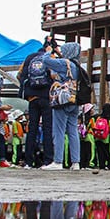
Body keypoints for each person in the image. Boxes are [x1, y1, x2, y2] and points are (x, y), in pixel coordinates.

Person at [40, 42, 82, 171]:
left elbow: (45, 60)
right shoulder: (77, 65)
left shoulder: (65, 63)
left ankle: (58, 161)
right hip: (74, 100)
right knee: (73, 131)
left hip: (62, 100)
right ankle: (76, 162)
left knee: (58, 131)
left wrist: (48, 50)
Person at [17, 39, 55, 168]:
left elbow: (19, 75)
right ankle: (48, 160)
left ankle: (29, 161)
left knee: (32, 129)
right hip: (46, 97)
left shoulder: (29, 58)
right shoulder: (50, 56)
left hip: (32, 98)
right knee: (47, 129)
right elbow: (54, 75)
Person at [88, 103, 110, 170]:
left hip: (98, 137)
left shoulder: (99, 118)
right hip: (106, 138)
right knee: (108, 151)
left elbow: (95, 126)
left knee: (100, 152)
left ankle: (101, 165)